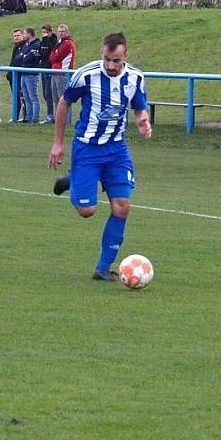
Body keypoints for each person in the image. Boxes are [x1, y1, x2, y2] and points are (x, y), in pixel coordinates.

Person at [48, 32, 153, 281]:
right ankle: (74, 180)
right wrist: (58, 143)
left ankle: (103, 268)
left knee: (122, 206)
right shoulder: (86, 75)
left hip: (117, 150)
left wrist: (142, 120)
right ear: (101, 53)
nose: (111, 65)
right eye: (107, 59)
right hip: (87, 149)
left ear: (125, 55)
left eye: (116, 60)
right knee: (87, 210)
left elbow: (139, 106)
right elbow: (64, 103)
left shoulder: (136, 78)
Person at [49, 24, 76, 116]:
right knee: (55, 97)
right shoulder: (60, 42)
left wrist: (54, 56)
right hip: (55, 71)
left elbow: (57, 56)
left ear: (67, 32)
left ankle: (65, 118)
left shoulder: (68, 43)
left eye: (62, 31)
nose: (60, 33)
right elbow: (52, 55)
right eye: (59, 31)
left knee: (62, 97)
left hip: (62, 72)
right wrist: (53, 56)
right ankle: (57, 117)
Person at [18, 27, 41, 123]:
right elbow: (19, 57)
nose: (23, 36)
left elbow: (27, 58)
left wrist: (24, 56)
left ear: (29, 34)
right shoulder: (25, 45)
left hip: (31, 74)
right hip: (24, 73)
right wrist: (24, 56)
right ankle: (28, 117)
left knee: (33, 96)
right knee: (26, 97)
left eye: (24, 33)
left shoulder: (36, 45)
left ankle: (35, 118)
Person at [38, 24, 58, 123]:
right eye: (43, 32)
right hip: (43, 69)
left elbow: (51, 52)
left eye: (46, 32)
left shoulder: (54, 42)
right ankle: (50, 115)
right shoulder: (42, 42)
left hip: (50, 69)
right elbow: (41, 54)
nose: (44, 34)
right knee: (45, 94)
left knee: (49, 93)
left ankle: (51, 115)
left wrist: (46, 41)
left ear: (50, 32)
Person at [6, 28, 25, 122]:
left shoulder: (24, 46)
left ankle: (25, 117)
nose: (16, 38)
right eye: (14, 36)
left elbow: (19, 61)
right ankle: (15, 116)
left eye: (18, 35)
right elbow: (13, 61)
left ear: (23, 36)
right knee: (16, 98)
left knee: (23, 97)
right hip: (13, 76)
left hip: (20, 76)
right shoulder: (16, 47)